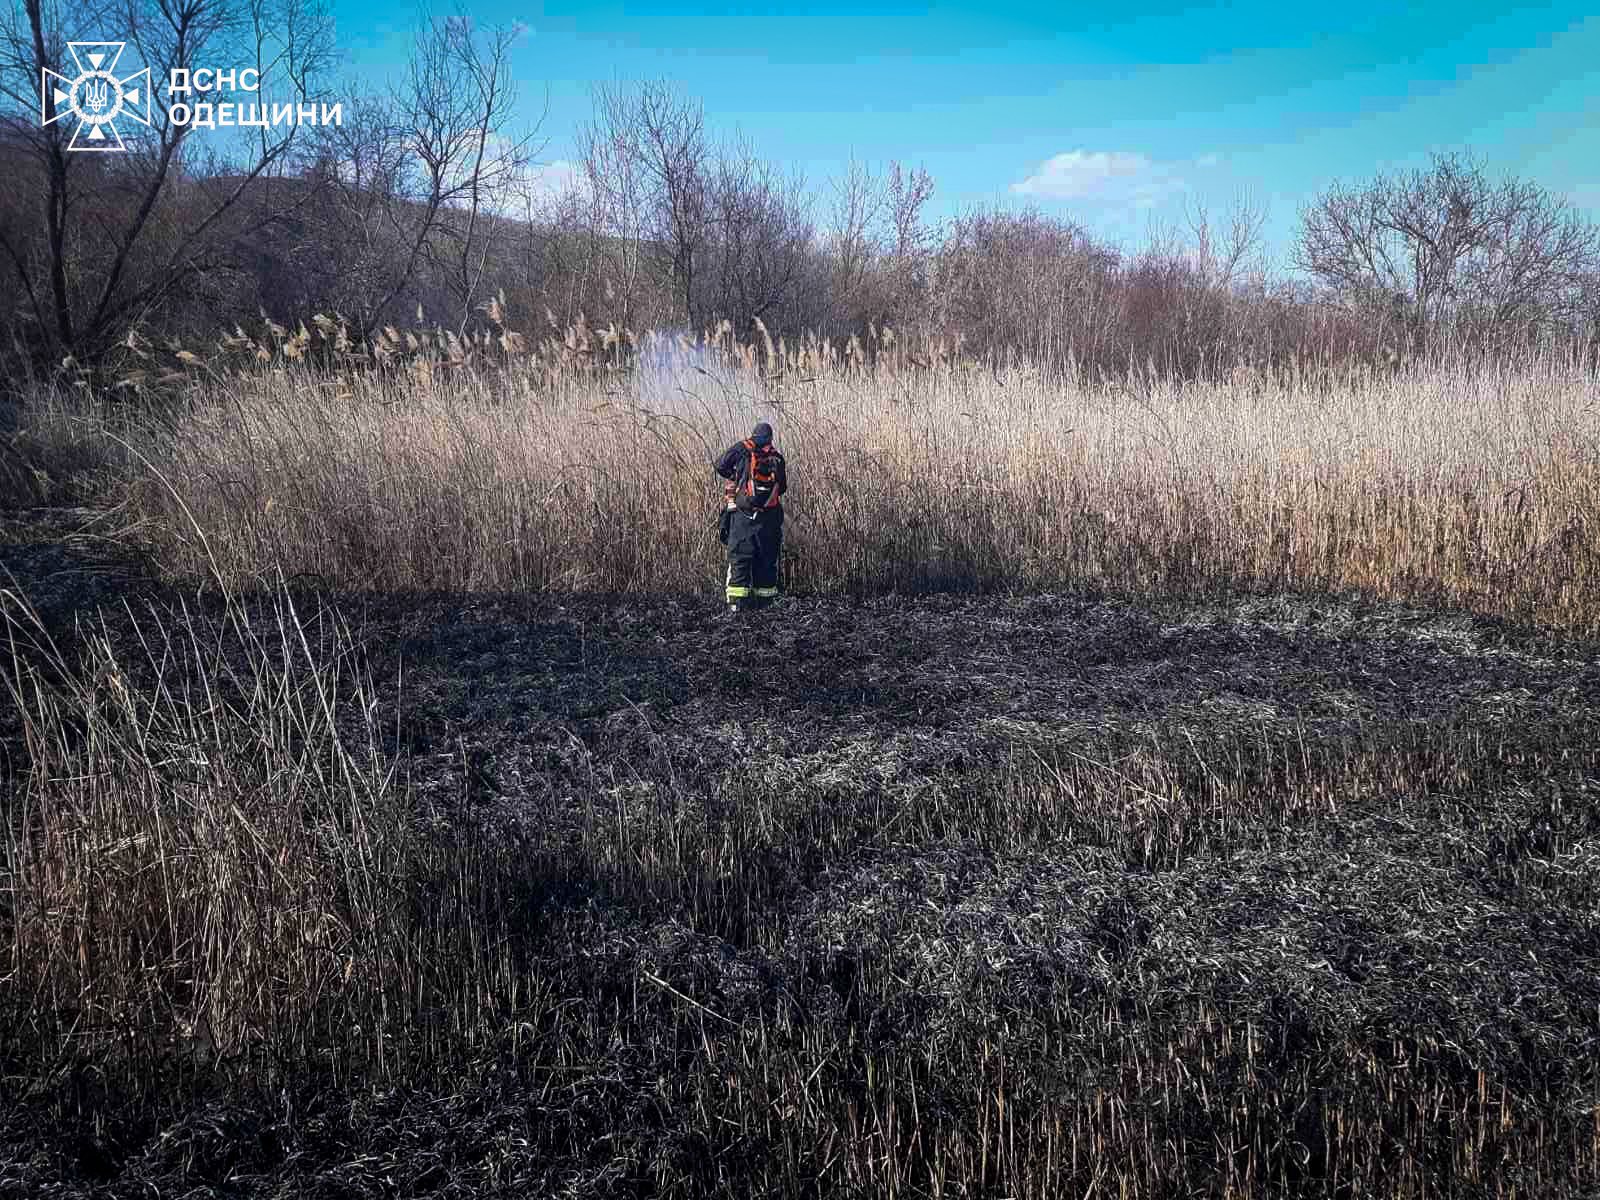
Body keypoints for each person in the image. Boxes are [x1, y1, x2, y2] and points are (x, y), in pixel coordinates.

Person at [714, 421, 787, 612]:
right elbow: (782, 488)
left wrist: (737, 477)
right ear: (770, 439)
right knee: (766, 562)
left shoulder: (742, 449)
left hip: (743, 518)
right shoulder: (777, 458)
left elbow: (720, 465)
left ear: (753, 435)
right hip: (769, 520)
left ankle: (736, 607)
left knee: (740, 560)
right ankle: (766, 606)